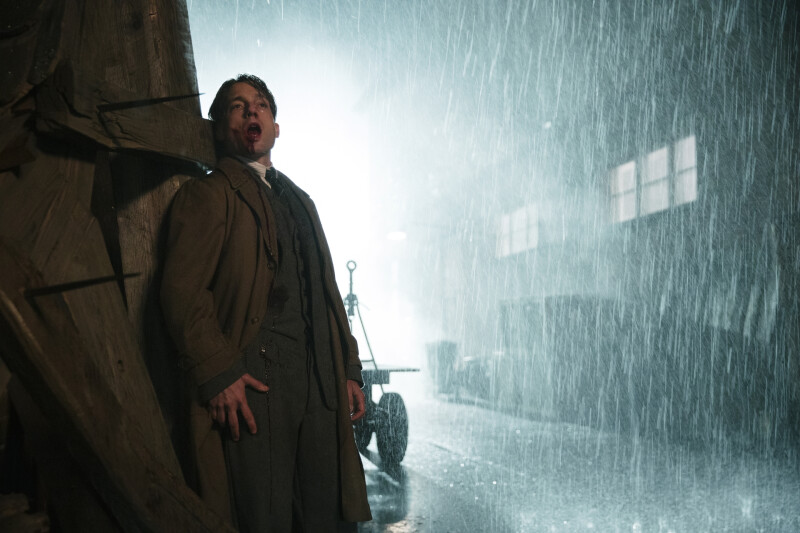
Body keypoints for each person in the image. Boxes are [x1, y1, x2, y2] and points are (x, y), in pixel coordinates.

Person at [161, 74, 372, 532]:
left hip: (320, 382)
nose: (251, 111)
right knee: (264, 516)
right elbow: (181, 291)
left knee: (325, 516)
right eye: (237, 107)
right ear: (221, 129)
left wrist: (348, 368)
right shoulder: (208, 194)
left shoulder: (302, 201)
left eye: (260, 104)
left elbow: (326, 293)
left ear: (276, 127)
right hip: (255, 383)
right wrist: (218, 372)